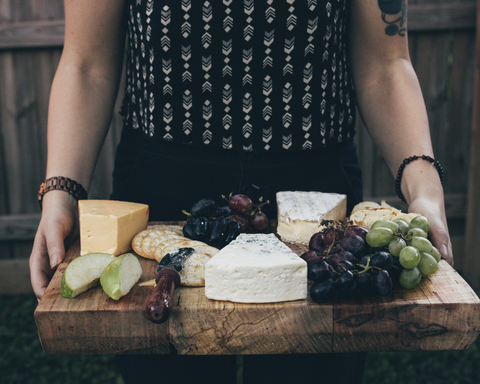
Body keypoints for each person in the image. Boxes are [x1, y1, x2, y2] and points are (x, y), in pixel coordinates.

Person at [30, 0, 453, 383]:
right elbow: (86, 64)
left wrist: (425, 191)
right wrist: (60, 194)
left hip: (314, 199)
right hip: (163, 189)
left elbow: (386, 66)